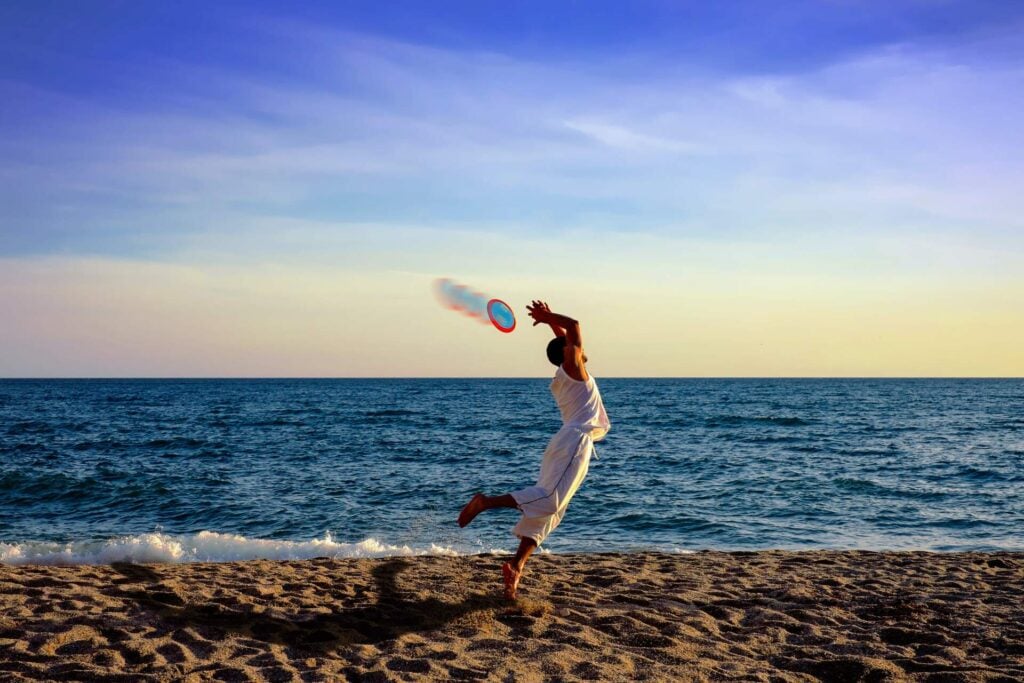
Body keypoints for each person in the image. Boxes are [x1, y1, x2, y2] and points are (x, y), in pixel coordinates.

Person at [458, 300, 611, 599]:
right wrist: (547, 316)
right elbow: (575, 326)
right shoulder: (573, 369)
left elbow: (567, 337)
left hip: (569, 444)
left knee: (551, 513)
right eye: (571, 346)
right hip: (574, 442)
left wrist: (549, 324)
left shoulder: (569, 374)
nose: (577, 347)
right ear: (569, 353)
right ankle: (485, 502)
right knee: (551, 500)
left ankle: (515, 567)